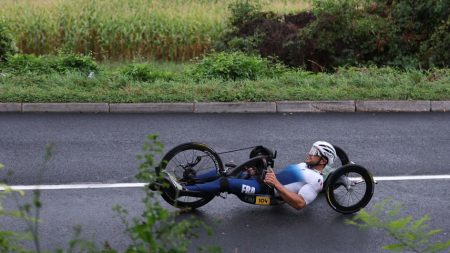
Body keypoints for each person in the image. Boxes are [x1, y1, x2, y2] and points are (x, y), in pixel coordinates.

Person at [162, 141, 337, 210]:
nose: (309, 153)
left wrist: (276, 184)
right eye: (311, 150)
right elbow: (285, 177)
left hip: (264, 191)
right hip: (261, 179)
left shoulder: (317, 180)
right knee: (224, 171)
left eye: (314, 152)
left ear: (323, 160)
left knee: (225, 183)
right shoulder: (304, 166)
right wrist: (258, 170)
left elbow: (299, 203)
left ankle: (183, 190)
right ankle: (183, 181)